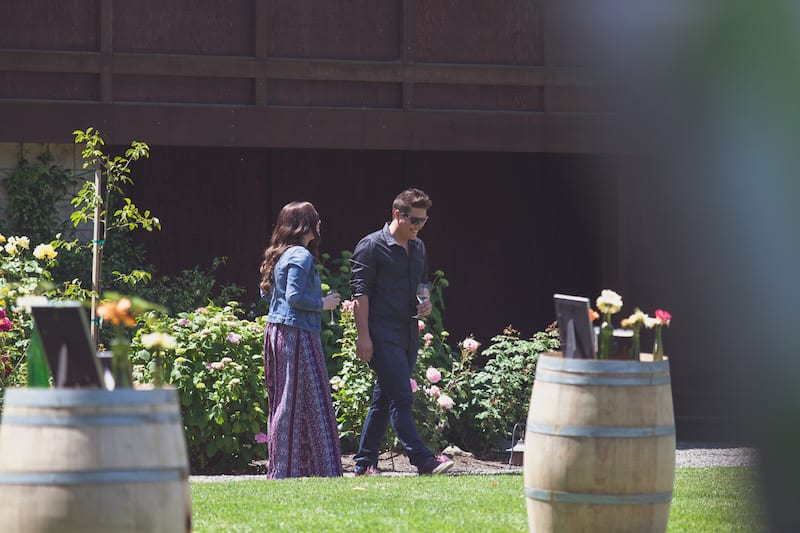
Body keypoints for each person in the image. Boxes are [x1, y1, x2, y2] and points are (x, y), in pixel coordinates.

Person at [349, 188, 454, 476]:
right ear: (398, 214)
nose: (419, 227)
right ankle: (423, 460)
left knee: (384, 398)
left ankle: (364, 462)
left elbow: (422, 282)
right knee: (402, 397)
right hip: (380, 333)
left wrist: (425, 300)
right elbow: (360, 294)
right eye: (415, 221)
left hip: (408, 332)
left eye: (424, 221)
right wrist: (363, 337)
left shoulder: (418, 247)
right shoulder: (371, 246)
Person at [259, 201, 343, 479]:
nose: (320, 223)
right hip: (296, 335)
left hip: (280, 332)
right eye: (315, 218)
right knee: (308, 400)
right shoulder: (301, 256)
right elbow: (294, 297)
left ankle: (290, 469)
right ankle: (317, 469)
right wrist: (323, 303)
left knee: (288, 400)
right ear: (305, 224)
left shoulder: (282, 254)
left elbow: (268, 295)